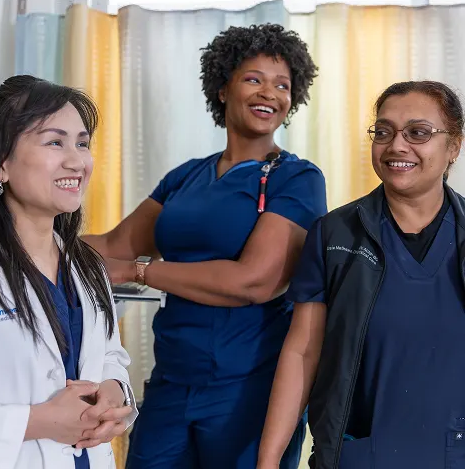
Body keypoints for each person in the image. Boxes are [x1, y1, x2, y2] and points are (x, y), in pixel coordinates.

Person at [83, 23, 326, 469]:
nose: (268, 92)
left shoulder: (297, 178)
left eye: (282, 84)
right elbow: (114, 244)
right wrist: (20, 236)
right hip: (172, 383)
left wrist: (138, 272)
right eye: (254, 78)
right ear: (222, 87)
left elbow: (255, 281)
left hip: (248, 391)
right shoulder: (186, 177)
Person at [256, 80, 465, 469]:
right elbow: (302, 351)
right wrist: (268, 461)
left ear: (453, 146)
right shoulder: (334, 234)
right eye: (383, 132)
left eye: (417, 133)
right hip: (359, 454)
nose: (397, 146)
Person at [0, 75, 138, 469]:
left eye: (82, 143)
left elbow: (109, 354)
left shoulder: (86, 266)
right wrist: (35, 422)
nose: (77, 161)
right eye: (55, 142)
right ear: (2, 163)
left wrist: (114, 391)